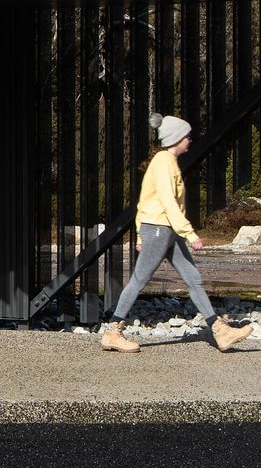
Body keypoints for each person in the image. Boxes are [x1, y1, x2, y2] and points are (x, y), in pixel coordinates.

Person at [101, 113, 251, 353]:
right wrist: (190, 233)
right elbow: (167, 201)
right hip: (160, 229)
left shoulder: (167, 162)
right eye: (187, 136)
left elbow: (144, 201)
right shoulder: (163, 162)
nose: (190, 140)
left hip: (166, 229)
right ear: (177, 138)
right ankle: (112, 332)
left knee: (193, 278)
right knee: (139, 280)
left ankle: (220, 332)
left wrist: (143, 233)